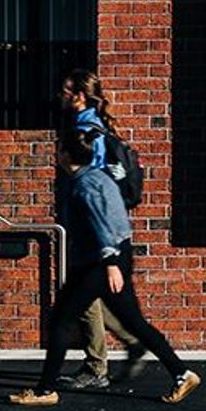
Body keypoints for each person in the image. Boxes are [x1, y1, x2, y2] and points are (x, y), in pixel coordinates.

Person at [11, 125, 199, 407]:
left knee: (62, 321)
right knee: (133, 322)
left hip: (99, 262)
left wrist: (110, 262)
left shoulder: (85, 185)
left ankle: (44, 391)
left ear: (65, 155)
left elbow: (101, 224)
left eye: (59, 149)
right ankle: (182, 374)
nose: (56, 154)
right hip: (114, 255)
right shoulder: (101, 176)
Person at [56, 68, 150, 393]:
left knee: (84, 300)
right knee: (90, 296)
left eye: (66, 91)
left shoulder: (86, 130)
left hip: (91, 227)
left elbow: (92, 185)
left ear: (79, 95)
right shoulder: (97, 125)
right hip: (97, 225)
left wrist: (104, 247)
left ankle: (97, 366)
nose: (61, 95)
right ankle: (129, 341)